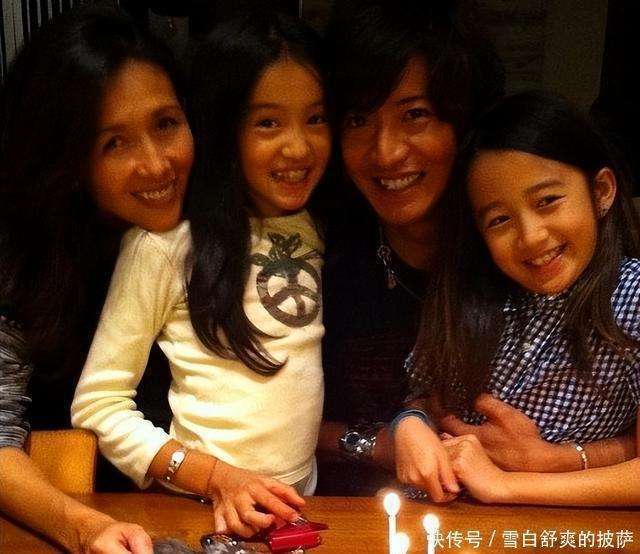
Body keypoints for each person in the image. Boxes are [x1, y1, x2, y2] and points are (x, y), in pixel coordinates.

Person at [72, 11, 331, 538]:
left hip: (298, 505)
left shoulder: (316, 226)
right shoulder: (165, 246)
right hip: (199, 510)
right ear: (223, 127)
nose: (299, 147)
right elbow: (97, 405)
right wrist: (215, 478)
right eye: (268, 123)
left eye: (316, 118)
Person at [0, 5, 194, 553]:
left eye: (165, 124)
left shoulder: (224, 229)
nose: (156, 165)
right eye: (114, 143)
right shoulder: (27, 260)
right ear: (67, 158)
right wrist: (86, 529)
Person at [410, 90, 640, 505]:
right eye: (500, 219)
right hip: (439, 518)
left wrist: (507, 484)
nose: (531, 236)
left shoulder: (631, 296)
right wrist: (409, 422)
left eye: (547, 201)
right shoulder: (474, 296)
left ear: (602, 191)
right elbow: (426, 401)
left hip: (547, 526)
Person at [317, 0, 504, 498]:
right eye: (358, 119)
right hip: (345, 516)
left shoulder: (519, 254)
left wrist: (562, 457)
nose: (386, 152)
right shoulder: (321, 261)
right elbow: (268, 420)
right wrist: (381, 443)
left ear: (463, 123)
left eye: (415, 115)